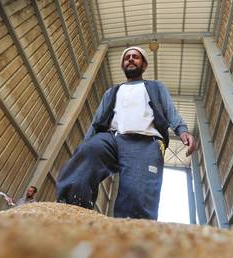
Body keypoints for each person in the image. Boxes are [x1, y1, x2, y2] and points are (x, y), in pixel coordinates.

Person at [56, 46, 195, 220]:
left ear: (144, 65)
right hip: (112, 139)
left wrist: (182, 131)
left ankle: (130, 234)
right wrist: (86, 143)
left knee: (136, 195)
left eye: (135, 57)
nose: (130, 59)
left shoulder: (156, 87)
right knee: (88, 152)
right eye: (127, 57)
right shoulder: (112, 91)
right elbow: (97, 120)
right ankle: (72, 210)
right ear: (123, 65)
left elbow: (170, 112)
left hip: (145, 142)